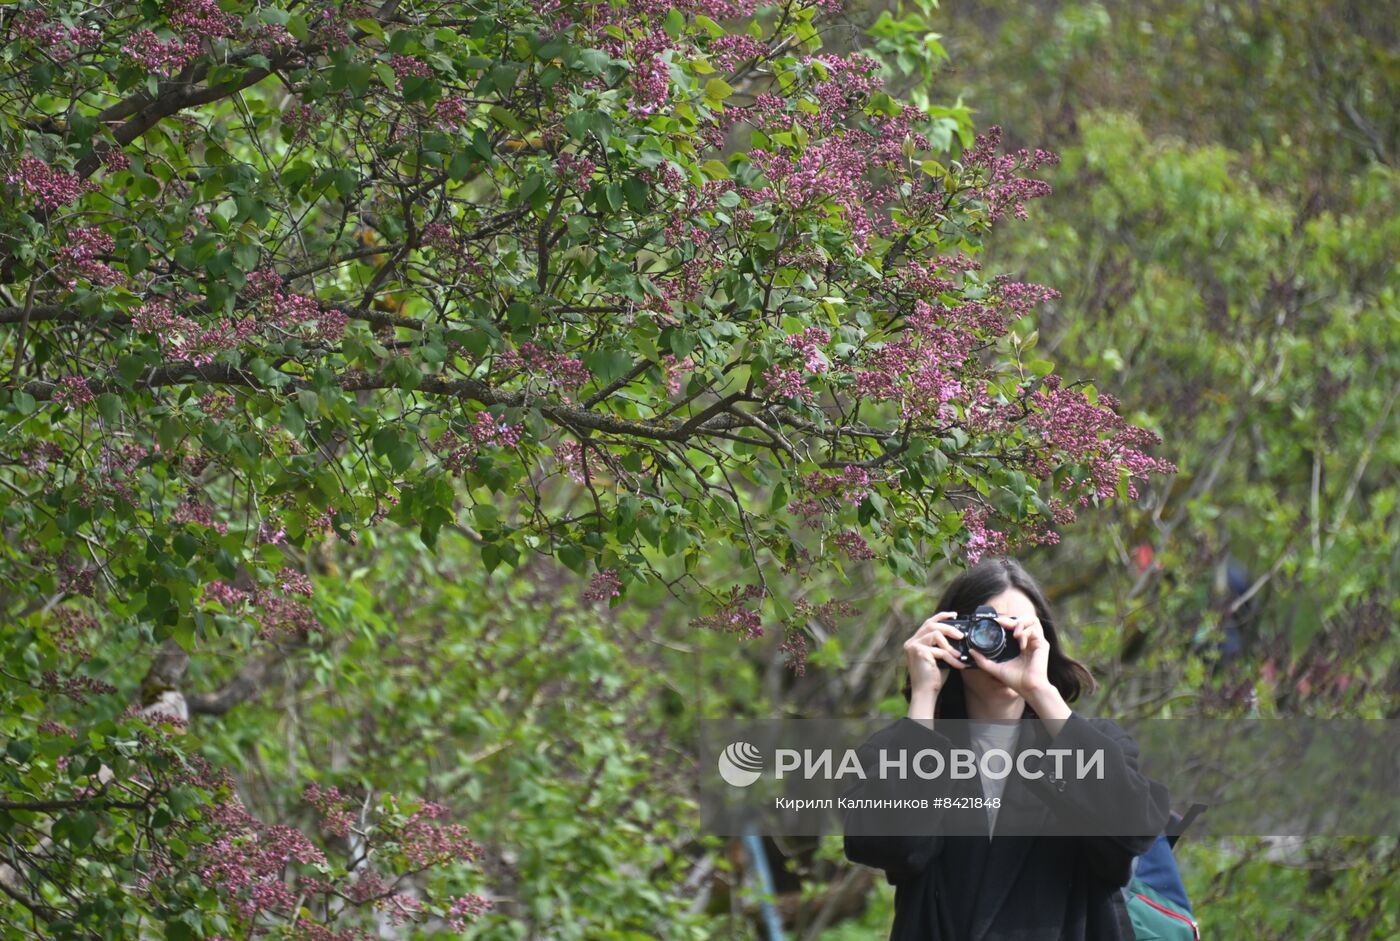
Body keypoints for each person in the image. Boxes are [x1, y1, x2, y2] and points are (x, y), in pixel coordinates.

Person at [843, 557, 1172, 940]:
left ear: (1042, 641)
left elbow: (1132, 830)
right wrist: (924, 694)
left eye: (1015, 631)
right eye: (983, 628)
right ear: (952, 636)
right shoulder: (906, 748)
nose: (999, 643)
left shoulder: (1096, 745)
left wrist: (1041, 690)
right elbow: (890, 846)